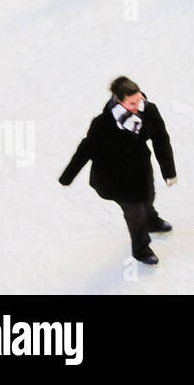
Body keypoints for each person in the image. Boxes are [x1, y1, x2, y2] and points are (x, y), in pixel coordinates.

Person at [59, 76, 176, 267]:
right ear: (119, 101)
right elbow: (86, 149)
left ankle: (152, 221)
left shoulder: (149, 111)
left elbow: (161, 140)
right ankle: (141, 250)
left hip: (141, 171)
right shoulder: (102, 123)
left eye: (139, 100)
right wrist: (68, 176)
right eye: (132, 103)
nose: (138, 105)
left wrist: (168, 170)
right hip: (115, 178)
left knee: (148, 198)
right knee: (135, 215)